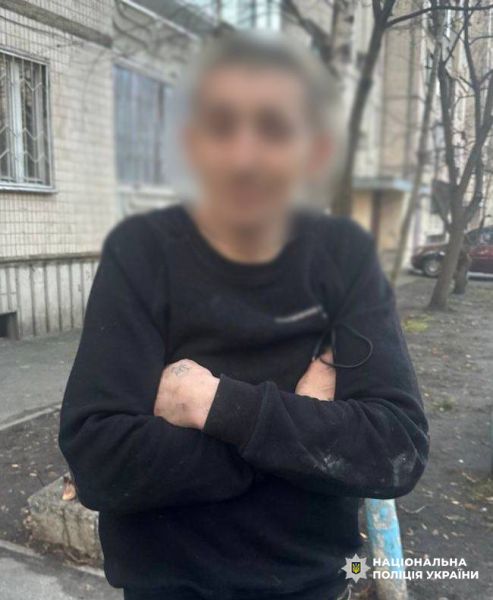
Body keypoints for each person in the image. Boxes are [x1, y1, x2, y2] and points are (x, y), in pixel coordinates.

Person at [59, 32, 429, 600]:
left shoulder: (344, 262)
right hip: (165, 589)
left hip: (309, 588)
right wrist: (294, 431)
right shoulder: (142, 255)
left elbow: (394, 451)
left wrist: (211, 404)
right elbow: (99, 461)